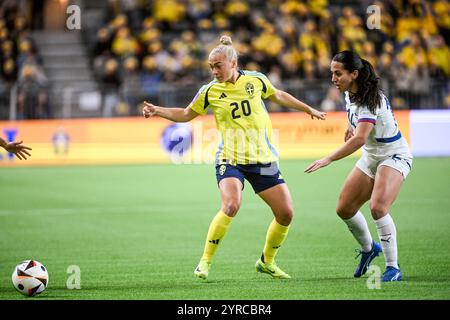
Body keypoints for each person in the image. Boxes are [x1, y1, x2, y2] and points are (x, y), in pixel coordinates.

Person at [143, 35, 326, 280]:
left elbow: (278, 95)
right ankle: (204, 262)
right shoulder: (209, 91)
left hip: (262, 159)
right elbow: (187, 114)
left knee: (286, 213)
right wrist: (158, 111)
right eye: (211, 67)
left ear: (233, 62)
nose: (214, 71)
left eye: (218, 66)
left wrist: (308, 108)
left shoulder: (256, 80)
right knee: (231, 205)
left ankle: (267, 262)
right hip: (230, 159)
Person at [304, 50, 413, 282]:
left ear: (354, 74)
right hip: (372, 156)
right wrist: (349, 125)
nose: (333, 78)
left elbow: (360, 139)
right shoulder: (349, 93)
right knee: (344, 208)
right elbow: (356, 124)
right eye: (332, 73)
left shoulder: (370, 100)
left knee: (378, 208)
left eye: (338, 73)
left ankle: (393, 267)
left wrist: (327, 159)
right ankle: (368, 249)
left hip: (394, 155)